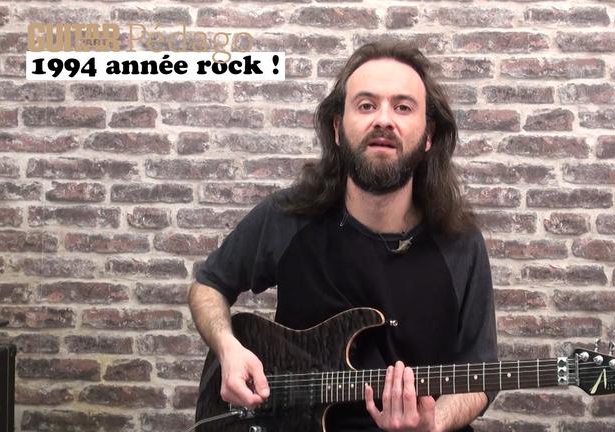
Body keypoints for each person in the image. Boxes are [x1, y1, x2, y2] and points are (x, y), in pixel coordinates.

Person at [188, 41, 498, 432]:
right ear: (337, 128)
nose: (383, 120)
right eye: (366, 105)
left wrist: (434, 424)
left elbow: (480, 372)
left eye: (403, 107)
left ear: (428, 135)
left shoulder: (461, 243)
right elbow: (208, 286)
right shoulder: (288, 217)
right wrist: (228, 348)